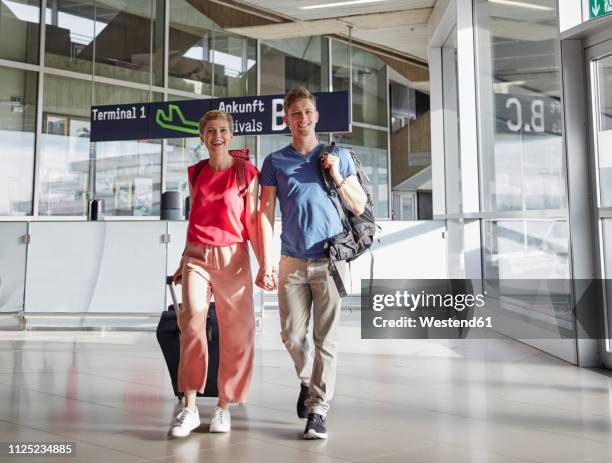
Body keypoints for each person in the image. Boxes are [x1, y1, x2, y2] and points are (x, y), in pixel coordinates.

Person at [257, 86, 367, 439]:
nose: (302, 118)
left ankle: (318, 409)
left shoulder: (339, 155)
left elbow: (358, 205)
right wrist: (267, 260)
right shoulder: (275, 162)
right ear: (286, 120)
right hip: (290, 259)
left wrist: (335, 175)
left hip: (331, 261)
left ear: (316, 116)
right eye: (295, 113)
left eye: (307, 112)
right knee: (291, 335)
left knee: (326, 340)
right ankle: (309, 381)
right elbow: (264, 212)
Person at [168, 110, 261, 438]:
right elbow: (194, 218)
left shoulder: (245, 172)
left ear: (231, 135)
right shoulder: (195, 173)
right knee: (192, 321)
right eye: (210, 131)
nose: (217, 135)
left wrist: (265, 263)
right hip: (196, 255)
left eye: (222, 130)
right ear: (202, 137)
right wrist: (182, 258)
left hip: (233, 257)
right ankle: (190, 407)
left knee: (237, 331)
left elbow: (251, 222)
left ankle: (223, 407)